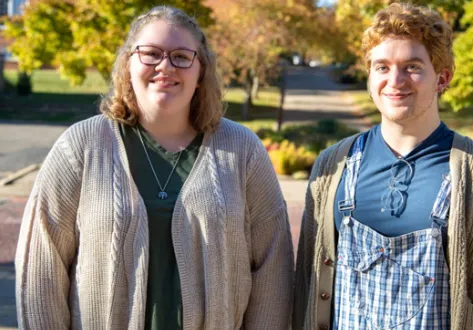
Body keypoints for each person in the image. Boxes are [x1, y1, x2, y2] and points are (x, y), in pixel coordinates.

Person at [15, 6, 293, 329]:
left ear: (200, 71)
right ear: (128, 65)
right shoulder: (81, 146)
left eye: (181, 56)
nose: (165, 66)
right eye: (150, 54)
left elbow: (273, 268)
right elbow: (40, 267)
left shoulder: (242, 150)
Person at [293, 3, 473, 330]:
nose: (395, 81)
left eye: (412, 67)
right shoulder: (332, 167)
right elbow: (306, 284)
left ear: (442, 78)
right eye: (382, 67)